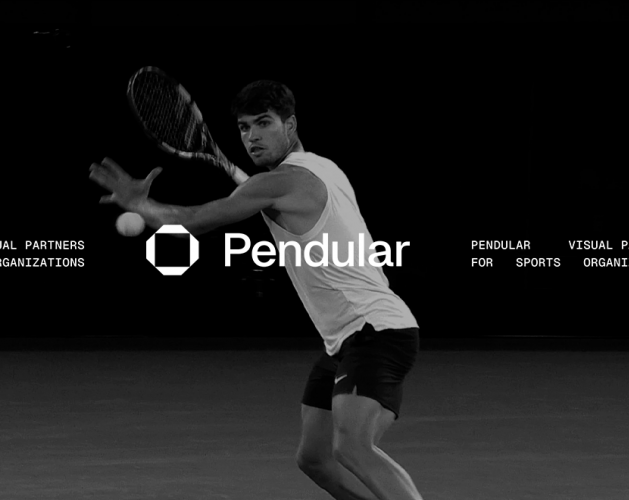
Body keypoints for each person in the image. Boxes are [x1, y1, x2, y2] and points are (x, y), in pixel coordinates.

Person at [89, 80, 422, 500]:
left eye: (264, 123)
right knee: (315, 459)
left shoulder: (282, 182)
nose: (252, 137)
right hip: (345, 339)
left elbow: (194, 220)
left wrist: (141, 205)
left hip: (375, 330)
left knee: (352, 446)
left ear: (291, 125)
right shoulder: (324, 169)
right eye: (245, 128)